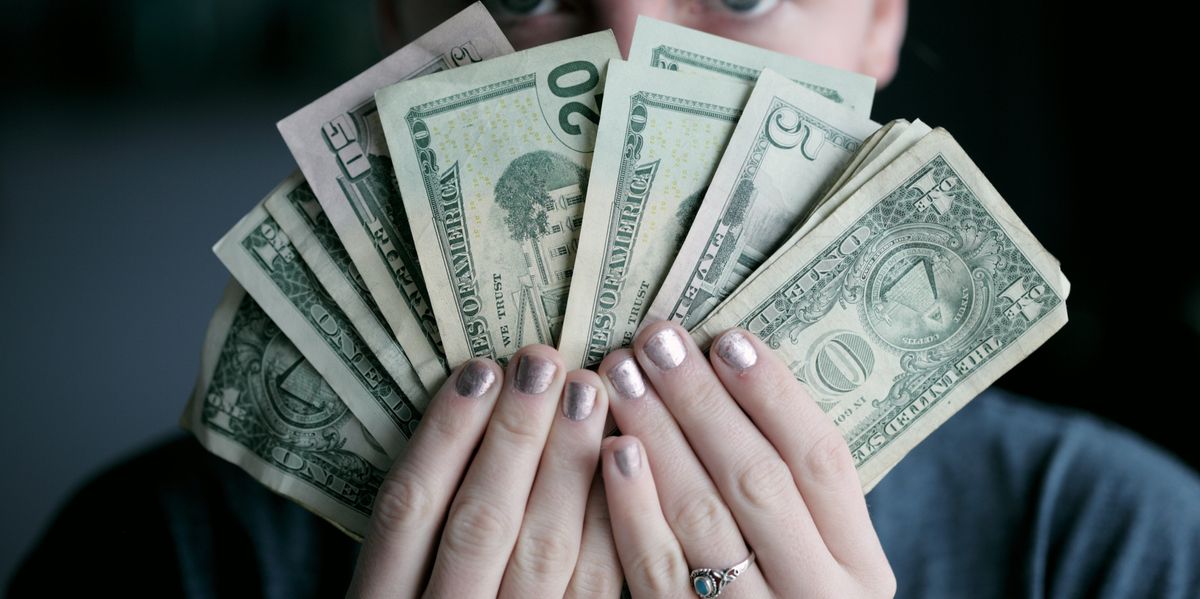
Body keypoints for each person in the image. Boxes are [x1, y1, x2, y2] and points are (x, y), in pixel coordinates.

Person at [11, 1, 1200, 597]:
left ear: (883, 16)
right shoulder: (155, 558)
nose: (626, 55)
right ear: (395, 18)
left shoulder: (1125, 549)